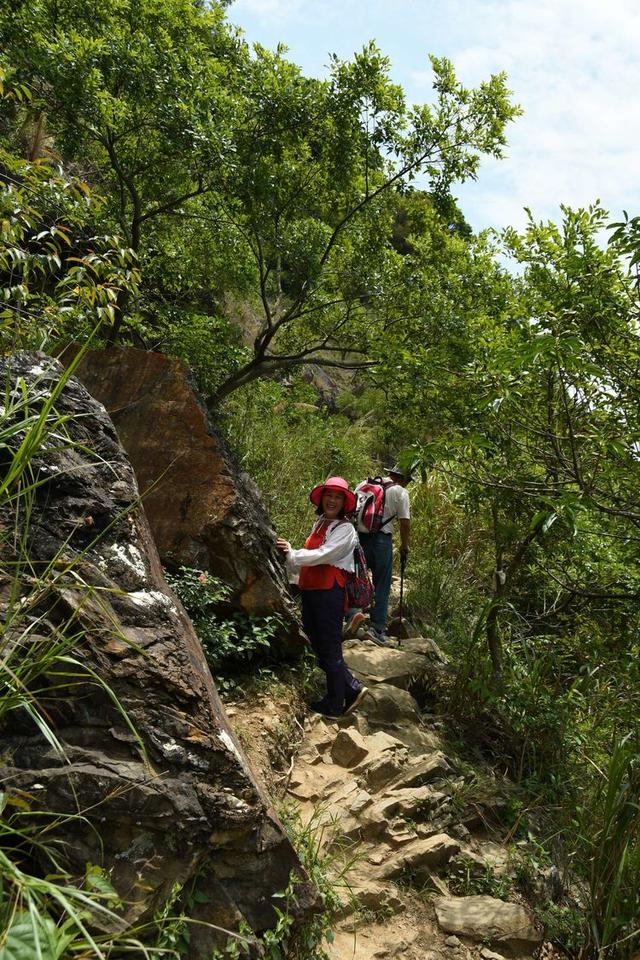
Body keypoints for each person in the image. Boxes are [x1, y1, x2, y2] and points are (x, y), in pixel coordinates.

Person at [276, 476, 369, 720]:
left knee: (329, 646)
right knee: (317, 643)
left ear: (345, 503)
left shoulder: (345, 529)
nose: (332, 500)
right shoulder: (320, 523)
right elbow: (314, 555)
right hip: (313, 591)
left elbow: (324, 555)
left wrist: (293, 554)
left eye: (338, 497)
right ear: (322, 498)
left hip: (329, 593)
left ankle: (336, 703)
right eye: (329, 495)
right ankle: (349, 688)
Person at [345, 463, 412, 646]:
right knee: (382, 583)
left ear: (390, 473)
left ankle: (352, 616)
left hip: (358, 538)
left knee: (357, 578)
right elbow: (405, 523)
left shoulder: (363, 484)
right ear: (404, 479)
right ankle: (376, 628)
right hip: (382, 541)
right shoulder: (400, 492)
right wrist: (405, 546)